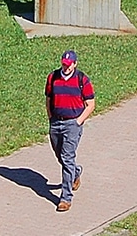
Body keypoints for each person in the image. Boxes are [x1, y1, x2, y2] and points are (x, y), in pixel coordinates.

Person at [46, 49, 95, 212]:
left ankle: (65, 198)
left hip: (72, 125)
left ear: (75, 64)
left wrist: (78, 121)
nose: (66, 68)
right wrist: (51, 117)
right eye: (64, 65)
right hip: (56, 123)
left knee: (67, 158)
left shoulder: (82, 80)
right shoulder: (53, 77)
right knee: (60, 155)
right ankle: (75, 172)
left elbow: (91, 105)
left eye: (69, 65)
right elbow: (48, 99)